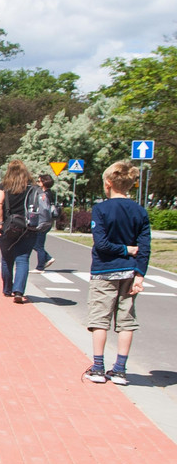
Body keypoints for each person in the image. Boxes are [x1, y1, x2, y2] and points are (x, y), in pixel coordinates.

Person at [82, 161, 150, 386]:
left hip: (104, 271)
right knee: (126, 321)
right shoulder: (140, 211)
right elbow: (145, 246)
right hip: (130, 273)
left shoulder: (101, 209)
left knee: (100, 320)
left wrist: (123, 249)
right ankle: (120, 370)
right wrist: (140, 274)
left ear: (108, 184)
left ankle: (98, 367)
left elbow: (101, 244)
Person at [0, 160, 38, 303]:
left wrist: (0, 222)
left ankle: (7, 289)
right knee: (23, 259)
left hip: (8, 226)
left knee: (7, 258)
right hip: (28, 227)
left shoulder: (4, 186)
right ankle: (18, 291)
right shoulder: (32, 188)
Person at [31, 173, 57, 272]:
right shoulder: (49, 193)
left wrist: (37, 220)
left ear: (43, 183)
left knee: (38, 245)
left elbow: (44, 209)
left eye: (39, 181)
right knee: (37, 244)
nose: (37, 183)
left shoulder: (43, 195)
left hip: (42, 222)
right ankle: (47, 258)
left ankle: (40, 267)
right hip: (48, 222)